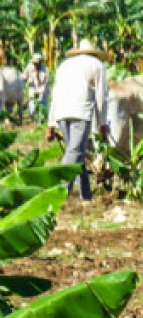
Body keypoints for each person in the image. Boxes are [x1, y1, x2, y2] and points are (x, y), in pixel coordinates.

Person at [45, 39, 111, 201]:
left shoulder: (64, 65)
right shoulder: (96, 65)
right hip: (81, 112)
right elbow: (101, 97)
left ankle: (86, 195)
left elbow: (55, 94)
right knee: (74, 153)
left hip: (61, 112)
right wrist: (102, 124)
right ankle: (59, 194)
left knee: (77, 153)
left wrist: (50, 124)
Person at [23, 52, 49, 119]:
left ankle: (40, 120)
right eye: (35, 63)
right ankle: (33, 118)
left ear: (41, 62)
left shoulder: (45, 69)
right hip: (32, 91)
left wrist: (39, 91)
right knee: (32, 111)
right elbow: (25, 78)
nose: (36, 65)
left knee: (42, 111)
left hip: (43, 92)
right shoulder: (29, 67)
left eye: (38, 63)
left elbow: (45, 82)